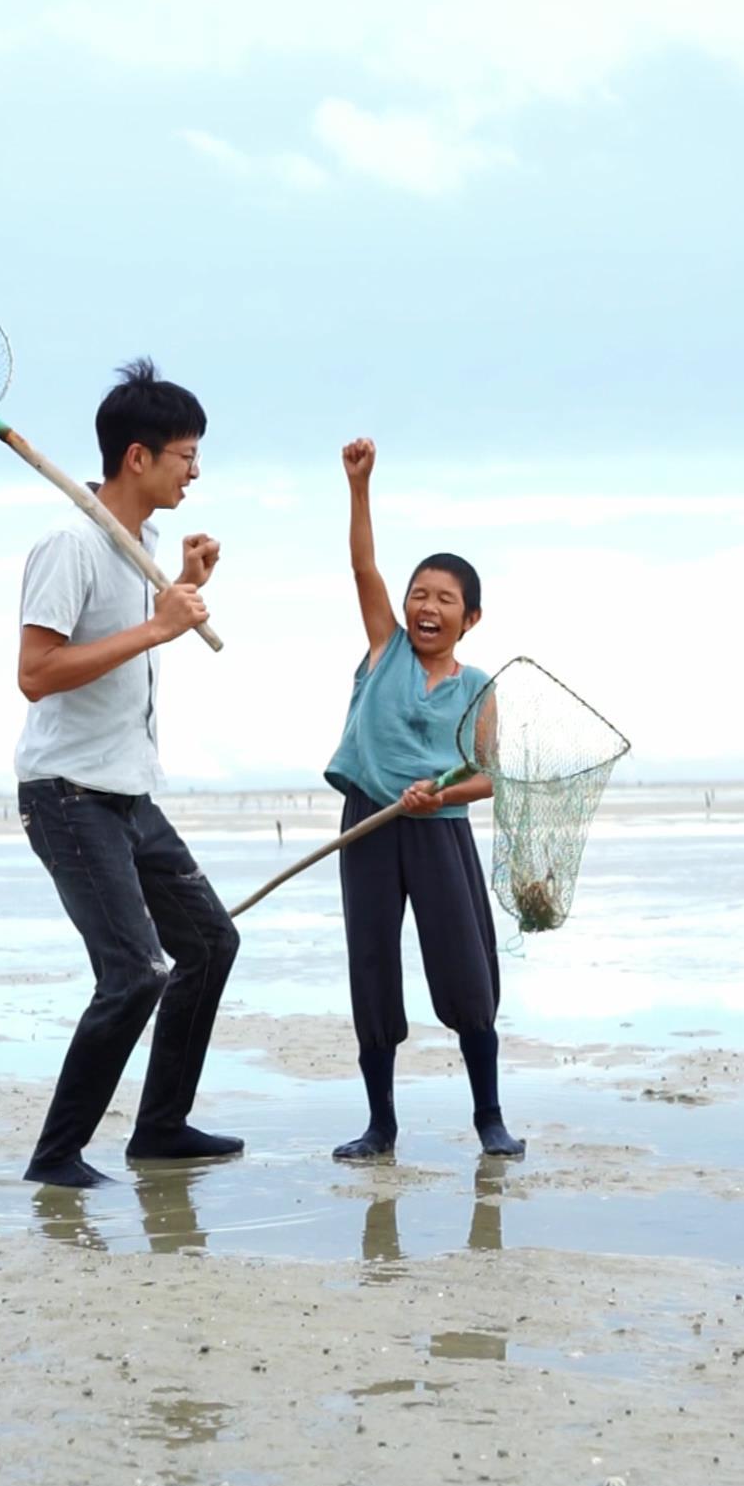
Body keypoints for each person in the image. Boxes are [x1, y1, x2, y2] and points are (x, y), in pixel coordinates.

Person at [15, 359, 242, 1189]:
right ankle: (56, 1155)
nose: (196, 472)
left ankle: (160, 1129)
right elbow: (37, 673)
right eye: (186, 455)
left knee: (211, 944)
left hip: (127, 793)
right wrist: (160, 630)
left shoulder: (139, 543)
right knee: (135, 973)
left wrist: (183, 589)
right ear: (138, 457)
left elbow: (140, 628)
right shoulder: (69, 544)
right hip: (66, 795)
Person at [324, 437, 525, 1162]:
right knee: (373, 968)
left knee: (467, 975)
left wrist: (433, 795)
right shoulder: (385, 650)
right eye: (420, 595)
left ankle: (489, 1120)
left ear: (470, 617)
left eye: (445, 599)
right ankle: (381, 1126)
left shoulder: (478, 688)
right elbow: (362, 567)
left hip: (439, 833)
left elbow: (489, 777)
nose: (426, 607)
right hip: (368, 829)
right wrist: (359, 487)